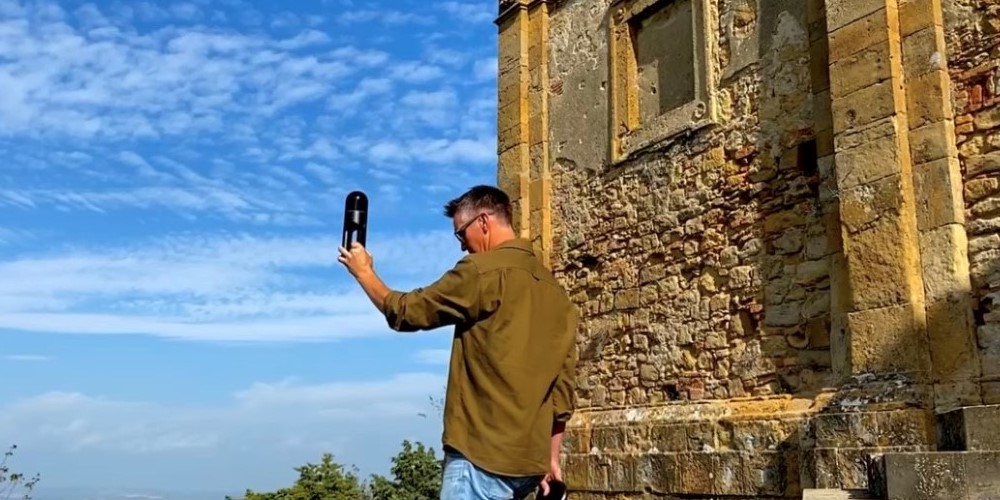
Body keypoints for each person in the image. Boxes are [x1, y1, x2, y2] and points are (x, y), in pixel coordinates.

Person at [337, 185, 578, 500]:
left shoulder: (480, 272)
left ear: (483, 222)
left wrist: (364, 273)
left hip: (480, 460)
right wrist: (551, 458)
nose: (462, 246)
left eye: (461, 234)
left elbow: (407, 312)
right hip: (528, 467)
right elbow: (562, 392)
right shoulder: (556, 293)